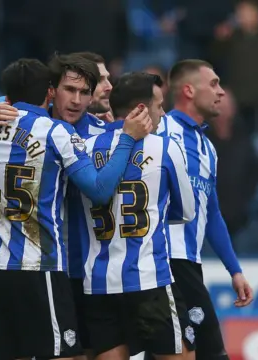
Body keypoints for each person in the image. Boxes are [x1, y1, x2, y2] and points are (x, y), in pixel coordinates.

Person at [0, 58, 151, 360]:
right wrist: (127, 138)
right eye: (69, 89)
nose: (76, 99)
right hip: (41, 269)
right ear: (51, 92)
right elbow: (100, 190)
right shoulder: (56, 132)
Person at [82, 72, 197, 360]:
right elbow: (186, 211)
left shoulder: (83, 148)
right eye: (159, 105)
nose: (163, 112)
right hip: (149, 279)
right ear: (141, 110)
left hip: (98, 283)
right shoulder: (165, 147)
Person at [150, 59, 253, 360]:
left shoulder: (207, 147)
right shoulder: (159, 132)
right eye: (214, 84)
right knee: (209, 353)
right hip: (165, 261)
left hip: (189, 263)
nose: (221, 92)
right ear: (188, 90)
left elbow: (213, 214)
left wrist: (234, 269)